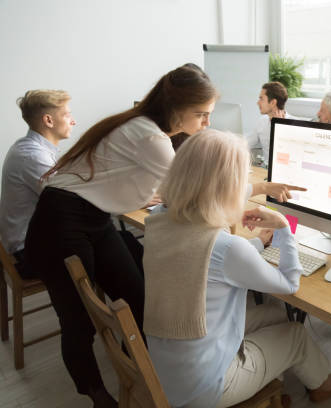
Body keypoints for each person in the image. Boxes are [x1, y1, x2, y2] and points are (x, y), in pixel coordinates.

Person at [24, 65, 219, 407]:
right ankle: (98, 395)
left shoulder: (144, 127)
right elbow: (194, 192)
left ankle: (149, 371)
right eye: (201, 115)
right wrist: (256, 187)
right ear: (176, 110)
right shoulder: (150, 136)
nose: (206, 123)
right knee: (77, 317)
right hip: (61, 221)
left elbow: (123, 177)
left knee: (135, 294)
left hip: (93, 216)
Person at [143, 129, 331, 408]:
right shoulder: (227, 247)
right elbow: (290, 284)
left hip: (169, 365)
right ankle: (323, 386)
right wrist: (282, 227)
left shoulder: (159, 219)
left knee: (272, 313)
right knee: (296, 336)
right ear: (229, 187)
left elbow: (209, 263)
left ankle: (266, 381)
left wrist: (252, 241)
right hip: (207, 387)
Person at [0, 90, 75, 279]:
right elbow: (72, 203)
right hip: (28, 253)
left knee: (121, 242)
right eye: (67, 115)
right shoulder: (33, 156)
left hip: (32, 243)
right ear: (48, 120)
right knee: (118, 245)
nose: (73, 121)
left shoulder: (30, 148)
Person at [247, 81, 297, 165]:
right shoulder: (262, 121)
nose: (258, 102)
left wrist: (280, 129)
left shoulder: (294, 125)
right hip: (265, 170)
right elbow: (246, 142)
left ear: (273, 102)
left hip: (283, 172)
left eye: (261, 99)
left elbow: (287, 161)